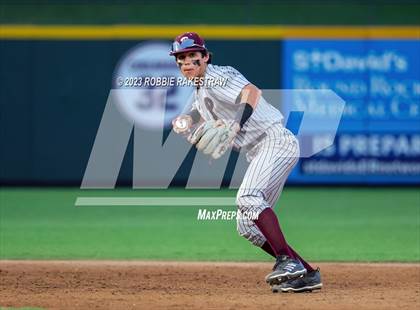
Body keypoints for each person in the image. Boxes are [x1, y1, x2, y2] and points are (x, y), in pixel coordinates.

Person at [171, 32, 322, 293]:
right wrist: (183, 123)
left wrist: (235, 124)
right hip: (258, 150)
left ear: (205, 57)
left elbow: (251, 91)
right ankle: (307, 273)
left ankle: (287, 262)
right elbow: (196, 114)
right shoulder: (200, 90)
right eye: (181, 58)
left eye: (193, 56)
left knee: (248, 197)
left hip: (274, 140)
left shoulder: (218, 76)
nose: (187, 62)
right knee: (247, 226)